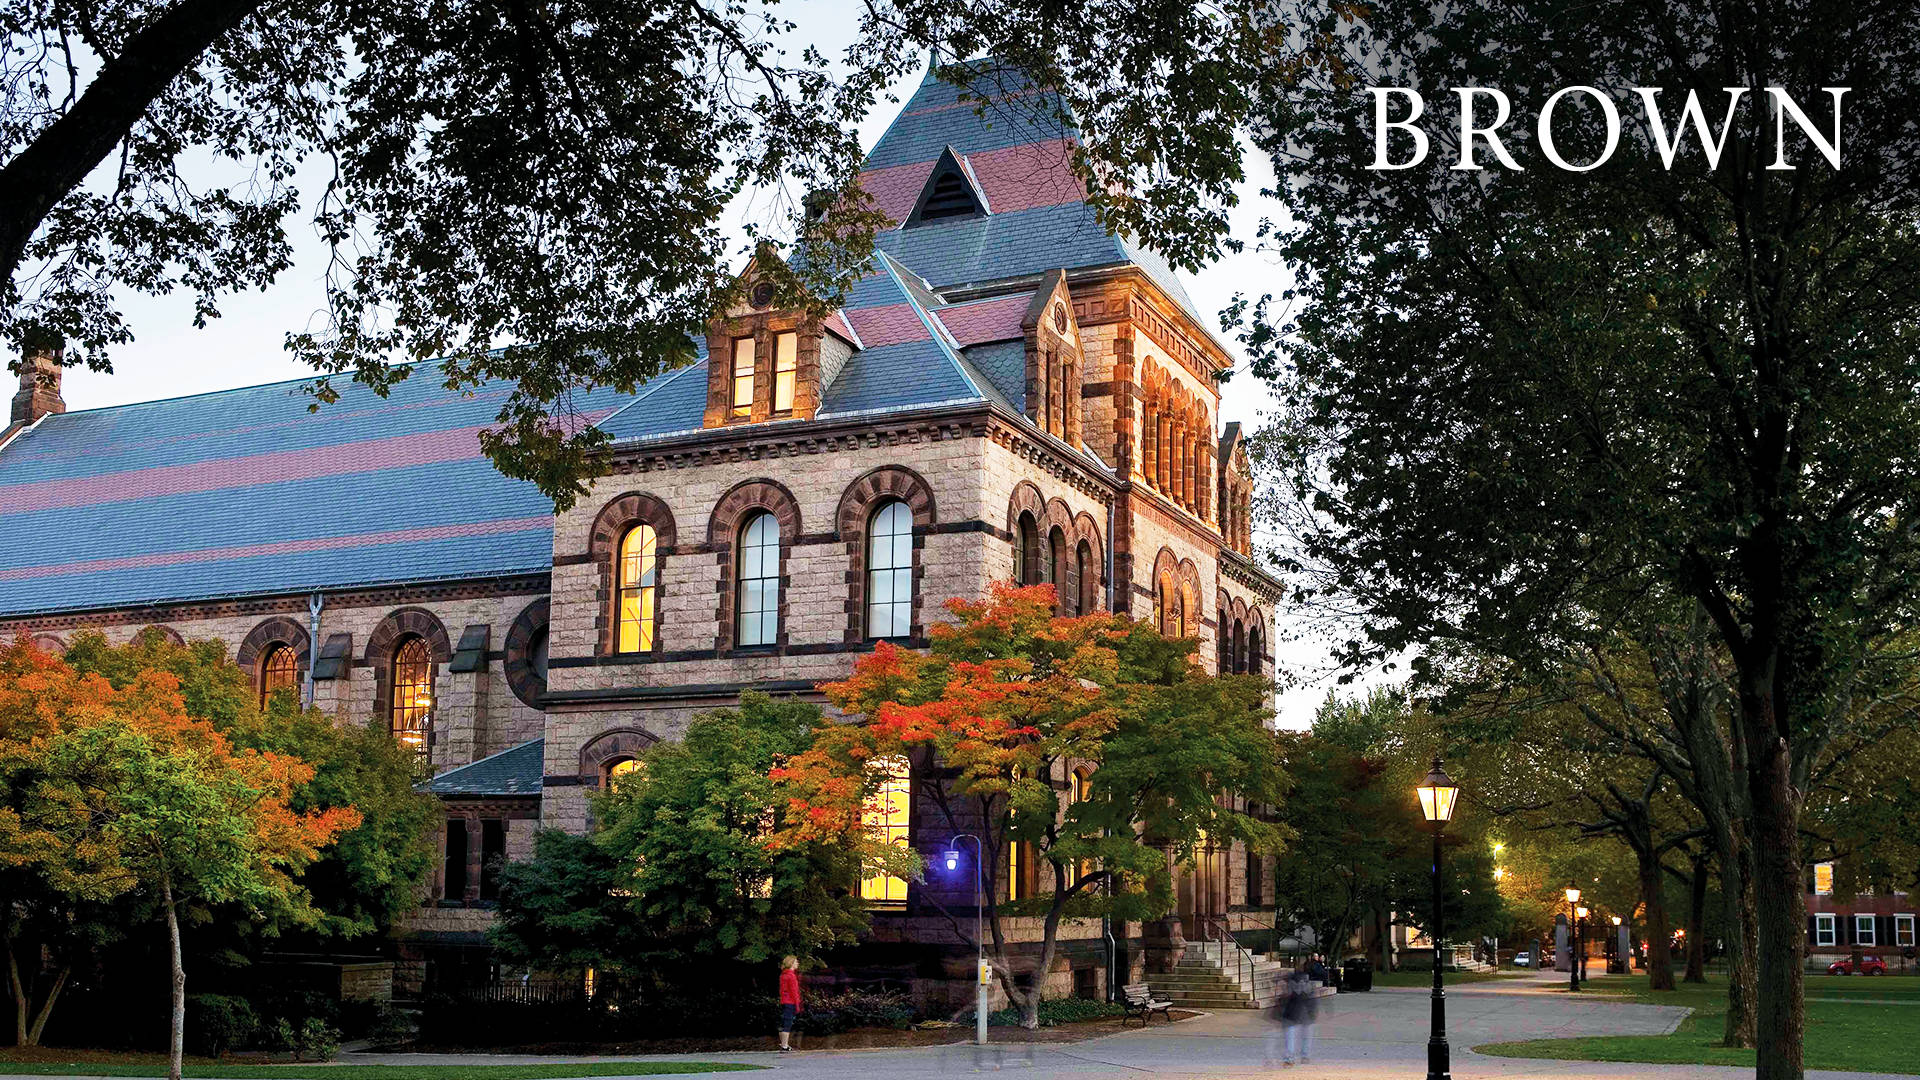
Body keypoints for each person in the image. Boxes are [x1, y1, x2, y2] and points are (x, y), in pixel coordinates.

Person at [1281, 964, 1318, 1065]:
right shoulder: (1309, 984)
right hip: (1306, 1013)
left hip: (1292, 1013)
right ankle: (1305, 1056)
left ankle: (1289, 1058)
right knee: (1306, 1036)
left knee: (1290, 1036)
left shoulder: (1291, 984)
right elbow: (1313, 1000)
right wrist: (1313, 1012)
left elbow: (1285, 999)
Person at [777, 955, 803, 1052]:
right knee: (787, 1023)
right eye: (796, 962)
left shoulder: (783, 975)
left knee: (784, 1023)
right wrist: (797, 1005)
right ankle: (784, 1046)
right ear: (791, 963)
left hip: (784, 1001)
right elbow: (794, 992)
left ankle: (783, 1044)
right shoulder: (791, 976)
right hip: (790, 1002)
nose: (797, 963)